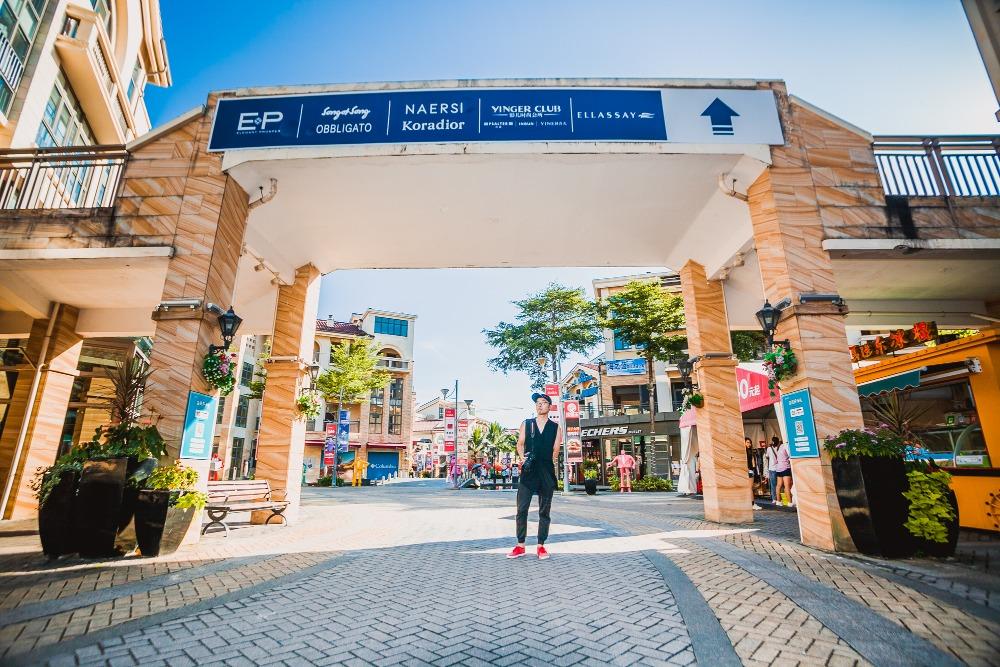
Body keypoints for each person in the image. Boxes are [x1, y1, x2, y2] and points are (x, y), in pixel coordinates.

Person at [508, 392, 561, 560]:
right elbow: (520, 444)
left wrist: (549, 462)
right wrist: (522, 457)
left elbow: (556, 450)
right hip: (529, 472)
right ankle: (520, 545)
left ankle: (541, 546)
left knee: (544, 511)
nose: (539, 405)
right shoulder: (527, 423)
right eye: (537, 402)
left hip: (546, 472)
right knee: (521, 509)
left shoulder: (555, 427)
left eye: (543, 402)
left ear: (549, 406)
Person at [769, 437, 793, 505]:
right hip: (785, 467)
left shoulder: (778, 448)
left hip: (778, 468)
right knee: (787, 486)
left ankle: (778, 501)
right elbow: (790, 456)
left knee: (778, 485)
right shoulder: (786, 446)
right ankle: (790, 502)